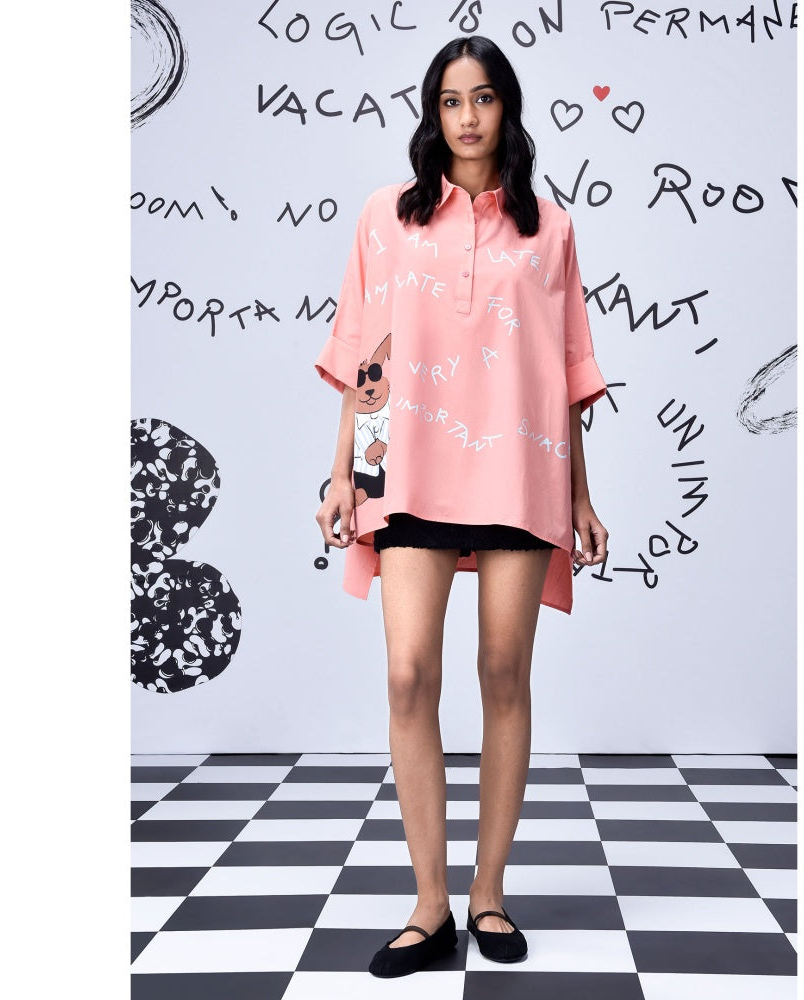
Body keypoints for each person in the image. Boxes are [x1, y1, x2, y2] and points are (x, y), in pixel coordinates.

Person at [313, 35, 609, 978]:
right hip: (405, 464)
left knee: (503, 672)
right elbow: (366, 356)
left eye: (483, 98)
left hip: (520, 466)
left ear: (506, 108)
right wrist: (343, 475)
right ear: (432, 113)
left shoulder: (551, 228)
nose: (467, 116)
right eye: (450, 100)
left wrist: (581, 493)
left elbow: (566, 370)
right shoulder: (385, 217)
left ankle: (489, 895)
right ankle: (429, 905)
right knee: (409, 675)